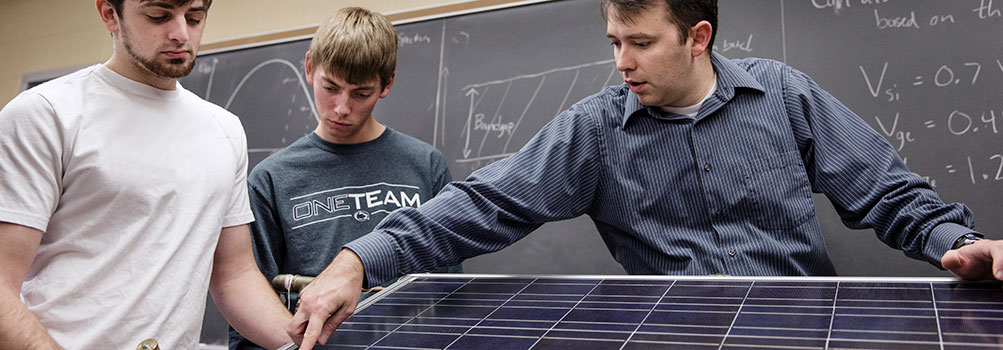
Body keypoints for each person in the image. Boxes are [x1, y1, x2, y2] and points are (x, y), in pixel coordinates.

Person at [286, 0, 1003, 348]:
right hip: (672, 339)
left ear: (697, 38)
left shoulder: (783, 96)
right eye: (612, 42)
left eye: (639, 42)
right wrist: (357, 259)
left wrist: (955, 241)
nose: (619, 62)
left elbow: (885, 190)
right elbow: (481, 202)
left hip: (798, 336)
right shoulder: (594, 130)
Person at [0, 1, 294, 349]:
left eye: (195, 17)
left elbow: (236, 276)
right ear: (110, 14)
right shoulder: (47, 114)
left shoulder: (224, 130)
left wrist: (306, 343)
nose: (181, 33)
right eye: (159, 16)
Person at [226, 7, 462, 350]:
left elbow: (448, 290)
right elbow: (248, 303)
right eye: (330, 87)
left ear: (387, 84)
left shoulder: (425, 165)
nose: (341, 108)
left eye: (360, 93)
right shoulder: (272, 180)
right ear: (309, 68)